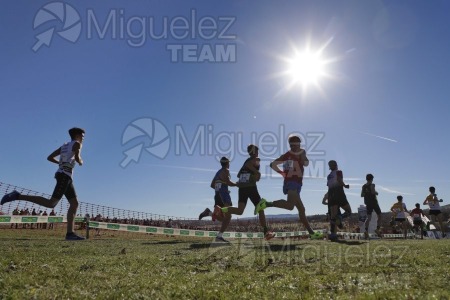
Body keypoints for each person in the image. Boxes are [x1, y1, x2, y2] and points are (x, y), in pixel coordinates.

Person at [1, 127, 86, 240]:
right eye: (83, 136)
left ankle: (70, 233)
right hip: (64, 176)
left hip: (64, 175)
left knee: (74, 204)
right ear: (77, 135)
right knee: (51, 203)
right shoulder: (77, 144)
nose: (83, 138)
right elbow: (76, 157)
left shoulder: (64, 146)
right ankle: (17, 195)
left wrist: (61, 163)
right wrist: (80, 161)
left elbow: (49, 157)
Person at [254, 135, 322, 239]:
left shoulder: (286, 155)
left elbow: (272, 164)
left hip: (292, 183)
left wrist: (282, 173)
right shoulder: (300, 152)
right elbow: (306, 163)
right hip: (293, 182)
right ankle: (266, 203)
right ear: (292, 144)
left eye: (296, 144)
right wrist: (302, 155)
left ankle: (312, 233)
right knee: (290, 206)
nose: (294, 146)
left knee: (301, 209)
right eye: (293, 144)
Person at [218, 145, 275, 240]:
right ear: (255, 151)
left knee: (240, 211)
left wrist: (254, 175)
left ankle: (221, 210)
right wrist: (257, 173)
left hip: (242, 187)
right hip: (250, 187)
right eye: (257, 151)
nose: (257, 153)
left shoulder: (247, 161)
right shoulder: (256, 159)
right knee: (261, 208)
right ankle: (266, 232)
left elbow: (239, 174)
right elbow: (252, 170)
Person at [198, 157, 237, 242]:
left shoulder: (218, 172)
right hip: (224, 195)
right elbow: (229, 183)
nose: (229, 164)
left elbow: (212, 185)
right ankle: (219, 236)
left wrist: (220, 188)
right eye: (229, 163)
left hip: (217, 195)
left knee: (224, 218)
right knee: (228, 216)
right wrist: (238, 184)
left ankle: (209, 213)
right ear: (227, 163)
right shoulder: (226, 170)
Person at [325, 160, 352, 241]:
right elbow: (339, 180)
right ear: (336, 165)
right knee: (348, 211)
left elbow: (329, 186)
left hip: (331, 194)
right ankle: (340, 217)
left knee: (333, 216)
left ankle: (333, 235)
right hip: (339, 192)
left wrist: (327, 197)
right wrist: (345, 185)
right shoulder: (339, 172)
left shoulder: (329, 175)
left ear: (330, 167)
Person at [361, 174, 382, 239]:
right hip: (374, 202)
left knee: (369, 217)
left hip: (368, 203)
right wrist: (376, 193)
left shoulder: (364, 186)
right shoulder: (372, 185)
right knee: (380, 216)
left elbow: (362, 195)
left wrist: (366, 193)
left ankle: (366, 231)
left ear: (366, 179)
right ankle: (377, 229)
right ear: (372, 179)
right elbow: (373, 192)